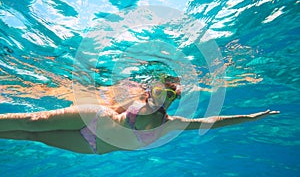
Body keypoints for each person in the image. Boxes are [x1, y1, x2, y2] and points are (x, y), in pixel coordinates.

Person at [0, 76, 279, 154]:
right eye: (157, 90)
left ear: (172, 100)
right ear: (150, 90)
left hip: (94, 145)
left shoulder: (171, 124)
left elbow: (211, 122)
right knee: (35, 121)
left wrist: (252, 117)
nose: (161, 97)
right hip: (97, 117)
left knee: (32, 136)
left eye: (169, 95)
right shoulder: (134, 99)